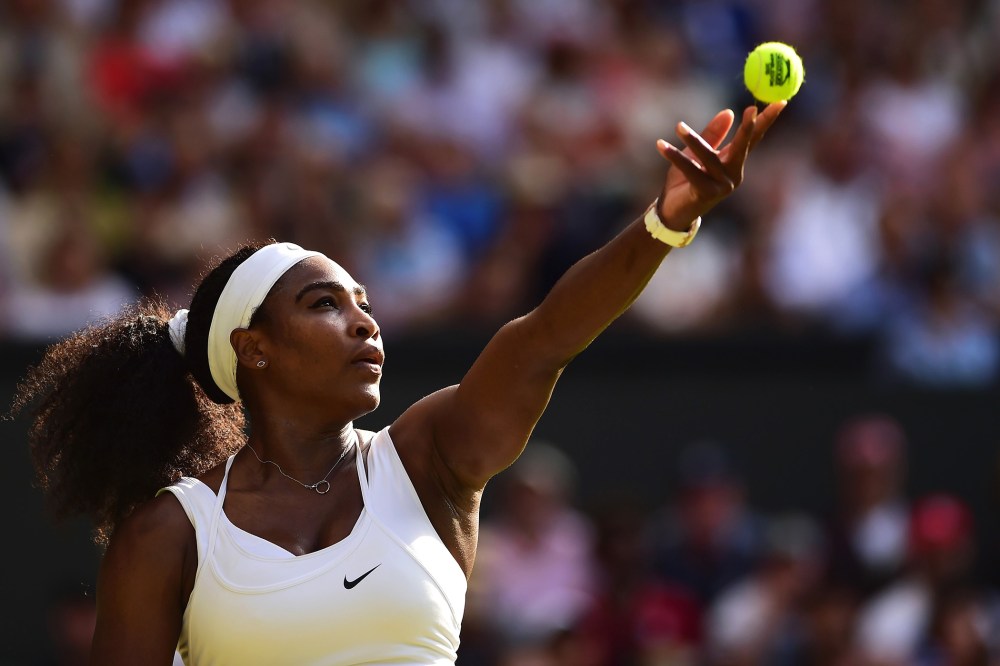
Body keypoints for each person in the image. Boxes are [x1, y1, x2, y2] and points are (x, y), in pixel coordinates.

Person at [12, 101, 784, 664]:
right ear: (255, 348)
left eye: (366, 306)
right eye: (324, 305)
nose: (363, 323)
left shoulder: (427, 463)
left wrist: (668, 220)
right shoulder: (169, 533)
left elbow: (546, 337)